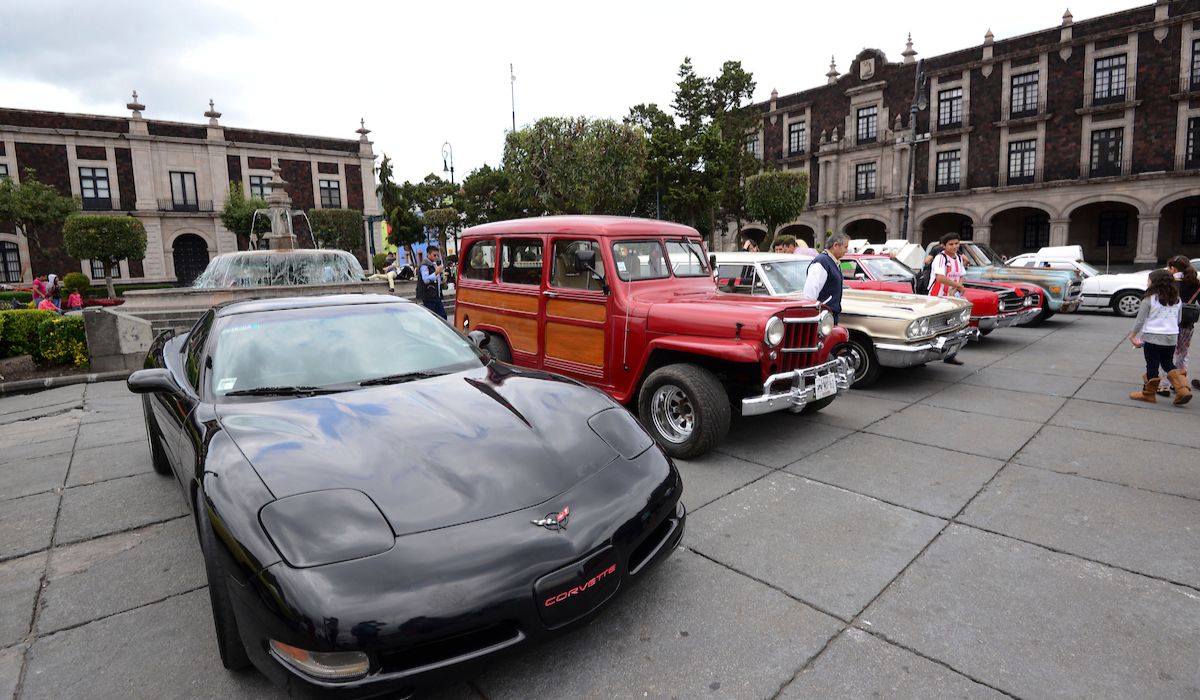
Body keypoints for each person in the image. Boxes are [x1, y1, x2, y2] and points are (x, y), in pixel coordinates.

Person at [1129, 269, 1190, 405]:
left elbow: (1140, 320)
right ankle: (1183, 390)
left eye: (1149, 280)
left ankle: (1148, 394)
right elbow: (1179, 319)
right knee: (1168, 363)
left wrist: (1133, 335)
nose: (1147, 282)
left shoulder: (1149, 299)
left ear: (1155, 282)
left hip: (1152, 337)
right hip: (1171, 337)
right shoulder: (1177, 300)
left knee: (1152, 364)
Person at [927, 232, 968, 365]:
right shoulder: (940, 258)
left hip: (953, 297)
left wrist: (959, 286)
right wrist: (958, 286)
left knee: (955, 327)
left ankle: (950, 355)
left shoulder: (959, 258)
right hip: (937, 297)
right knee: (933, 327)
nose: (954, 246)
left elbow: (962, 274)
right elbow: (940, 278)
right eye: (951, 244)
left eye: (956, 243)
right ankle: (924, 356)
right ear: (943, 245)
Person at [1162, 256, 1200, 397]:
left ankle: (1164, 385)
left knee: (1167, 354)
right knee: (1183, 354)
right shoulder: (1196, 283)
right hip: (1188, 325)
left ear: (1173, 268)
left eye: (1169, 268)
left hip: (1170, 324)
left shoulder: (1170, 283)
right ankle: (1180, 384)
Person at [802, 232, 849, 323]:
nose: (847, 251)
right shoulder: (822, 262)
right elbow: (811, 291)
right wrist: (812, 313)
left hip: (829, 314)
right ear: (835, 245)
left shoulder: (832, 262)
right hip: (823, 316)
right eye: (845, 247)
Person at [415, 244, 447, 319]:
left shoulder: (434, 264)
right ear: (428, 254)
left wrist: (442, 279)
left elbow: (437, 279)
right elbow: (426, 280)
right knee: (430, 317)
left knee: (442, 317)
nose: (436, 257)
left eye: (437, 255)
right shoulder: (425, 265)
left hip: (436, 296)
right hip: (428, 296)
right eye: (434, 255)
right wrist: (436, 272)